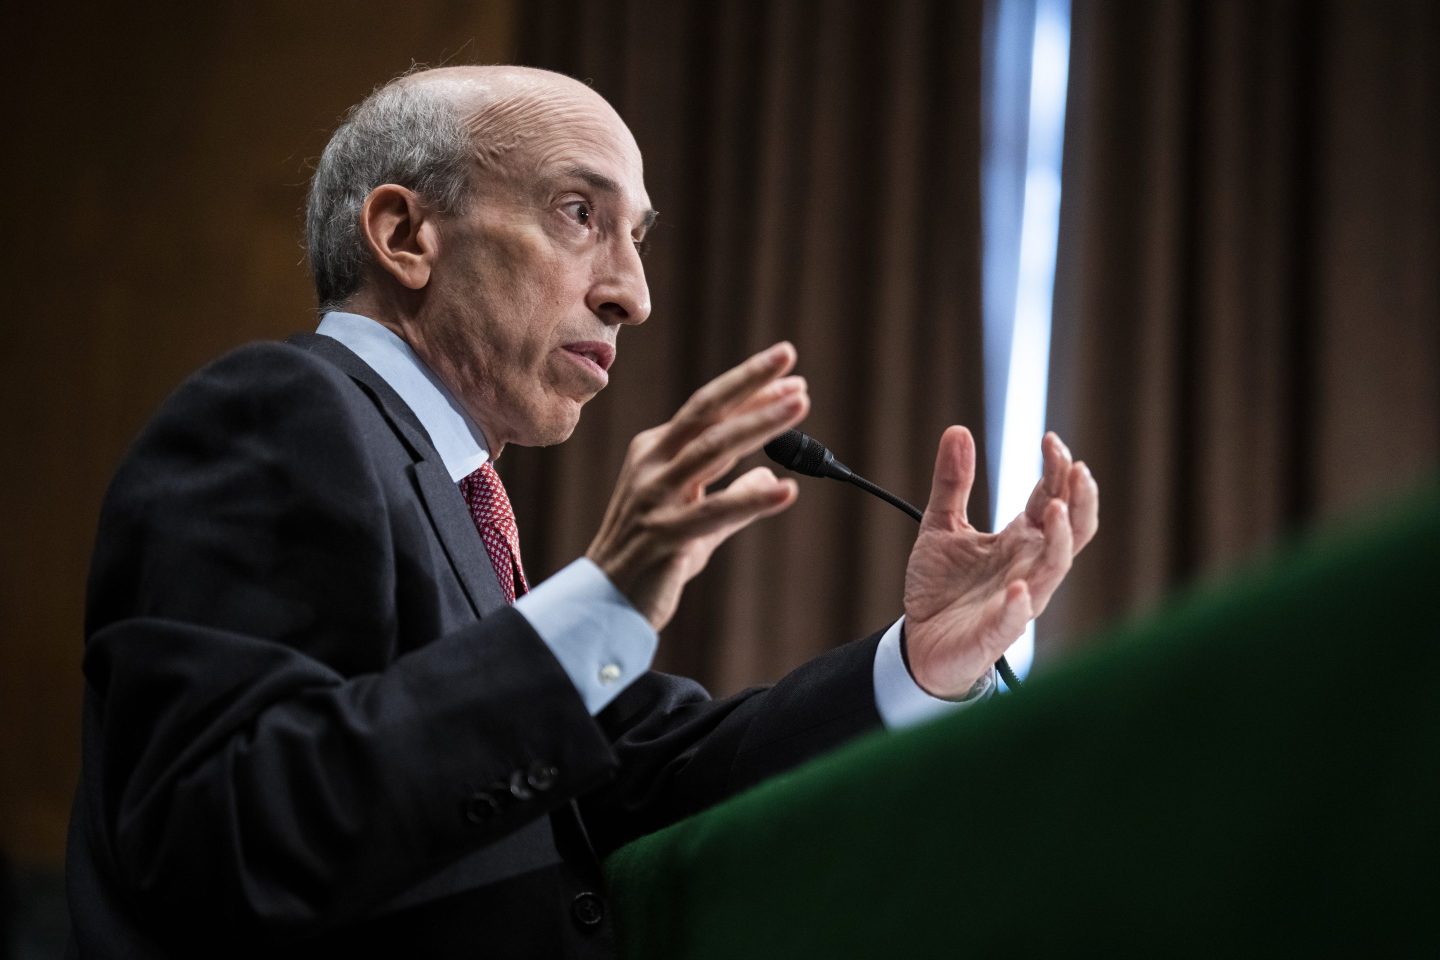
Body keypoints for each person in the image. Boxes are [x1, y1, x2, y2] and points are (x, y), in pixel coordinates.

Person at [65, 66, 1098, 958]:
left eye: (638, 236)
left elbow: (642, 773)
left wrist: (918, 665)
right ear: (403, 232)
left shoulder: (455, 492)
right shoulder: (280, 412)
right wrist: (600, 607)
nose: (633, 295)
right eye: (579, 214)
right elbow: (217, 839)